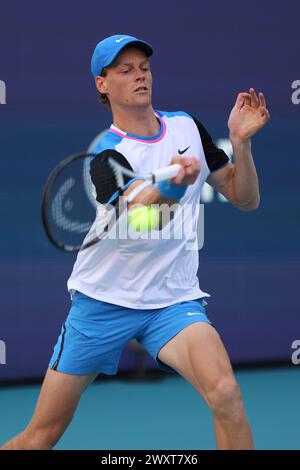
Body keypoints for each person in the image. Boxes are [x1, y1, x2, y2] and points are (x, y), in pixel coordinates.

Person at [1, 34, 269, 450]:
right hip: (102, 303)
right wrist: (175, 188)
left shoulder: (186, 127)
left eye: (143, 67)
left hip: (171, 301)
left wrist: (240, 143)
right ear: (102, 84)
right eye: (125, 70)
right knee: (41, 437)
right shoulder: (106, 154)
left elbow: (245, 198)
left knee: (227, 395)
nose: (139, 75)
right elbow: (139, 215)